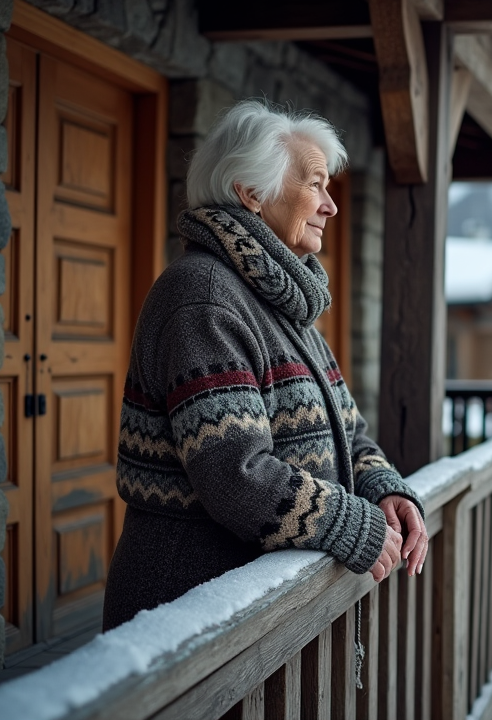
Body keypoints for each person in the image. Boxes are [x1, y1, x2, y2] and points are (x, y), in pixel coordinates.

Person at [103, 100, 427, 630]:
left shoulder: (283, 305)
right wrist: (351, 521)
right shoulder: (204, 297)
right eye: (315, 185)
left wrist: (383, 489)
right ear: (251, 193)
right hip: (188, 613)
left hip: (250, 612)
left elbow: (350, 432)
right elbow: (236, 472)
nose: (331, 206)